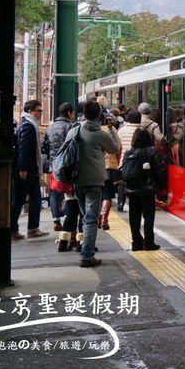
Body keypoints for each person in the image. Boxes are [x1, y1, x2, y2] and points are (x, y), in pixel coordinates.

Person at [75, 99, 120, 267]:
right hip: (94, 180)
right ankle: (87, 255)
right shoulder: (101, 133)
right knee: (91, 220)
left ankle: (87, 248)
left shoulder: (75, 130)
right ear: (99, 115)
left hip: (77, 180)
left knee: (86, 217)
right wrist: (111, 130)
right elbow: (115, 149)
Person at [123, 128, 165, 251]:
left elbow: (124, 170)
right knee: (148, 216)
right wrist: (162, 187)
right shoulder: (152, 152)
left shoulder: (128, 152)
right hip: (148, 189)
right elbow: (159, 171)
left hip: (132, 189)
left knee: (134, 216)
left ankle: (136, 242)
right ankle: (148, 242)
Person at [11, 100, 48, 240]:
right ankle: (32, 228)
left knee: (19, 199)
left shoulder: (24, 124)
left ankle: (13, 229)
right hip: (27, 169)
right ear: (31, 111)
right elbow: (25, 148)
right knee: (35, 197)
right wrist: (24, 168)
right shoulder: (29, 126)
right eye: (39, 111)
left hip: (24, 168)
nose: (40, 114)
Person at [42, 102, 75, 232]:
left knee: (54, 192)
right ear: (69, 113)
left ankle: (56, 220)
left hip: (53, 165)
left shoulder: (50, 128)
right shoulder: (70, 127)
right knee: (69, 191)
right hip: (67, 165)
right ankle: (68, 215)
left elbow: (44, 146)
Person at [98, 111, 122, 230]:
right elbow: (119, 148)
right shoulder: (112, 131)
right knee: (107, 193)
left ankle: (97, 218)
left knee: (97, 193)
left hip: (96, 167)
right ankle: (104, 219)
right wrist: (116, 162)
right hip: (110, 166)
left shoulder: (94, 131)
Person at [116, 110, 142, 210]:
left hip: (124, 161)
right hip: (138, 163)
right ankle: (136, 204)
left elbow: (118, 146)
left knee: (122, 183)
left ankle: (121, 202)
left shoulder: (122, 130)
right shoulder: (143, 131)